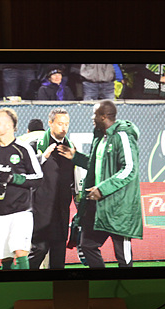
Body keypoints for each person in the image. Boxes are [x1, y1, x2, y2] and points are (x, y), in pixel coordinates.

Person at [57, 100, 143, 268]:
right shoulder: (100, 136)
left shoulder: (123, 136)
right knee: (87, 245)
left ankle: (128, 284)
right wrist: (75, 157)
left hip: (119, 208)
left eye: (95, 114)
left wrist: (102, 189)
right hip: (99, 205)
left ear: (103, 116)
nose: (92, 117)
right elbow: (95, 164)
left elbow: (129, 169)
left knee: (123, 258)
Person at [0, 108, 43, 270]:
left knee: (20, 251)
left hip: (22, 212)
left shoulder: (23, 149)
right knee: (5, 258)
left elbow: (38, 178)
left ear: (9, 125)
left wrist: (13, 178)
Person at [29, 108, 76, 269]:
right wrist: (43, 157)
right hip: (40, 210)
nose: (64, 128)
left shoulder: (71, 148)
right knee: (38, 250)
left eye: (66, 124)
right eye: (60, 124)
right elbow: (24, 170)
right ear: (50, 123)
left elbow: (75, 181)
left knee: (58, 255)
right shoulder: (35, 145)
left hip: (61, 209)